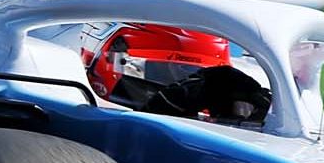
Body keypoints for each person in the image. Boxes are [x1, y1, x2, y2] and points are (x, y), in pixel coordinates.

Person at [82, 23, 272, 123]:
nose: (180, 83)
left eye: (195, 73)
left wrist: (261, 118)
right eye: (160, 71)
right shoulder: (65, 94)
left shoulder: (244, 80)